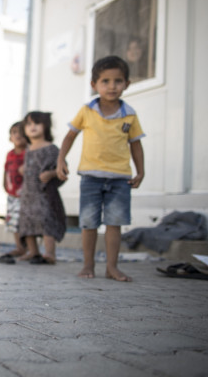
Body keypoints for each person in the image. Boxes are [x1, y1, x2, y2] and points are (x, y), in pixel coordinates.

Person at [57, 55, 145, 282]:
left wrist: (141, 171)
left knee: (114, 224)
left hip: (120, 178)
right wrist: (61, 160)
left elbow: (136, 145)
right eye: (105, 81)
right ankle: (88, 265)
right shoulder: (87, 111)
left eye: (118, 81)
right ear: (94, 85)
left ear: (127, 84)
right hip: (91, 177)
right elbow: (69, 136)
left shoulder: (130, 115)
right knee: (89, 224)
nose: (112, 86)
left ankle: (112, 267)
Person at [17, 111, 66, 265]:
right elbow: (30, 166)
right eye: (29, 124)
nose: (32, 127)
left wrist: (51, 174)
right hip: (28, 194)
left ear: (46, 126)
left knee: (46, 222)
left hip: (43, 194)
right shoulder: (28, 149)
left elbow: (63, 170)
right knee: (27, 222)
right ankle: (33, 251)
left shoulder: (51, 149)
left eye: (37, 123)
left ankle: (50, 253)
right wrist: (23, 168)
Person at [0, 121, 28, 264]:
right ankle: (19, 247)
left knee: (24, 221)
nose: (18, 135)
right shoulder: (9, 154)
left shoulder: (28, 152)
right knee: (13, 221)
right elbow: (6, 169)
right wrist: (4, 183)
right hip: (12, 193)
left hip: (26, 194)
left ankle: (28, 247)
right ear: (10, 137)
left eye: (21, 132)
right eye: (14, 132)